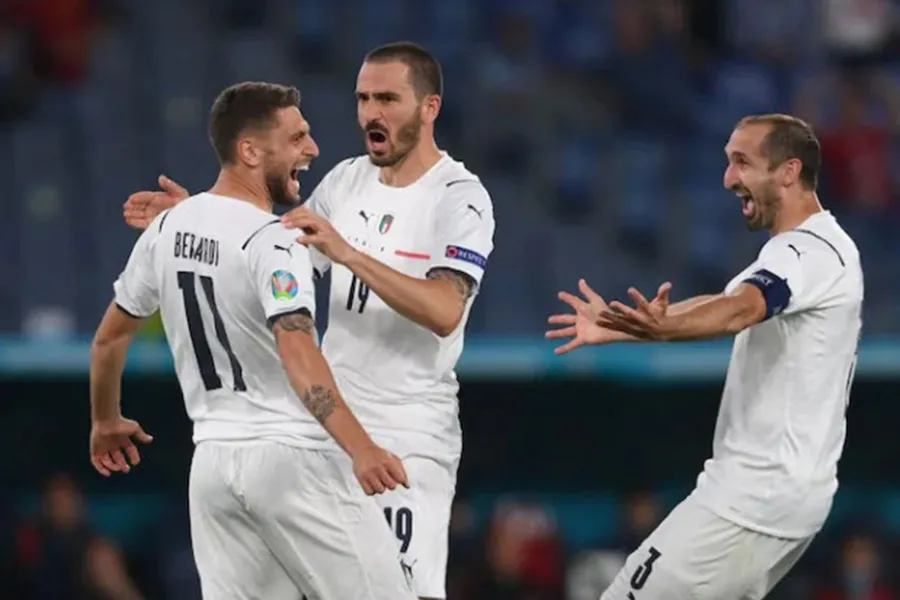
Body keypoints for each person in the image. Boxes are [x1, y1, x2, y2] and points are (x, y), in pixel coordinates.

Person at [122, 42, 495, 600]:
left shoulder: (459, 197)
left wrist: (349, 254)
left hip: (408, 437)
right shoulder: (346, 180)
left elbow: (445, 310)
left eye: (387, 99)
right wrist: (199, 213)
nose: (370, 113)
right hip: (327, 432)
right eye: (363, 99)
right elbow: (274, 245)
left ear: (429, 107)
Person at [89, 81, 416, 600]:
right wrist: (361, 448)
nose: (312, 149)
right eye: (297, 138)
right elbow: (298, 352)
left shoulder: (166, 229)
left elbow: (108, 342)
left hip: (213, 467)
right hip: (291, 461)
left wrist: (105, 420)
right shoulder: (276, 242)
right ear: (249, 151)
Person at [547, 114, 863, 599]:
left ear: (789, 171)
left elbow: (740, 310)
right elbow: (725, 300)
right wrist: (619, 326)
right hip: (782, 494)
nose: (729, 178)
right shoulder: (804, 251)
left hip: (754, 494)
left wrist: (661, 327)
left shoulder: (810, 251)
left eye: (742, 163)